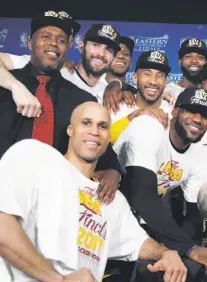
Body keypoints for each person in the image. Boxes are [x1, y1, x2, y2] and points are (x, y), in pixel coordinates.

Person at [0, 102, 187, 282]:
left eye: (102, 126)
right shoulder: (36, 156)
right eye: (86, 123)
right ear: (70, 130)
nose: (94, 132)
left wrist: (166, 253)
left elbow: (137, 243)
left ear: (108, 138)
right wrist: (60, 280)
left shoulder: (112, 200)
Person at [0, 10, 121, 204]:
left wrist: (113, 170)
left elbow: (97, 142)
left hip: (52, 199)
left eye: (62, 40)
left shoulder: (82, 99)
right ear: (30, 42)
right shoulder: (6, 84)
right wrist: (15, 86)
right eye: (46, 37)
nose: (54, 43)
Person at [113, 87, 207, 276]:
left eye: (204, 116)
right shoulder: (149, 127)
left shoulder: (199, 151)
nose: (198, 120)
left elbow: (194, 214)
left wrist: (181, 248)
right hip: (102, 203)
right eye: (191, 111)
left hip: (138, 217)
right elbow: (142, 195)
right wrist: (190, 248)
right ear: (175, 112)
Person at [109, 50, 172, 143]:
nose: (153, 81)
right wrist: (135, 116)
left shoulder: (173, 112)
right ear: (135, 78)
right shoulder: (116, 106)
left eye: (160, 76)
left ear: (166, 82)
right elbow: (103, 139)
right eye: (147, 74)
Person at [163, 38, 207, 103]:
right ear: (180, 62)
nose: (194, 61)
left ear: (206, 63)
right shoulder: (166, 91)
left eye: (200, 57)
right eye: (188, 56)